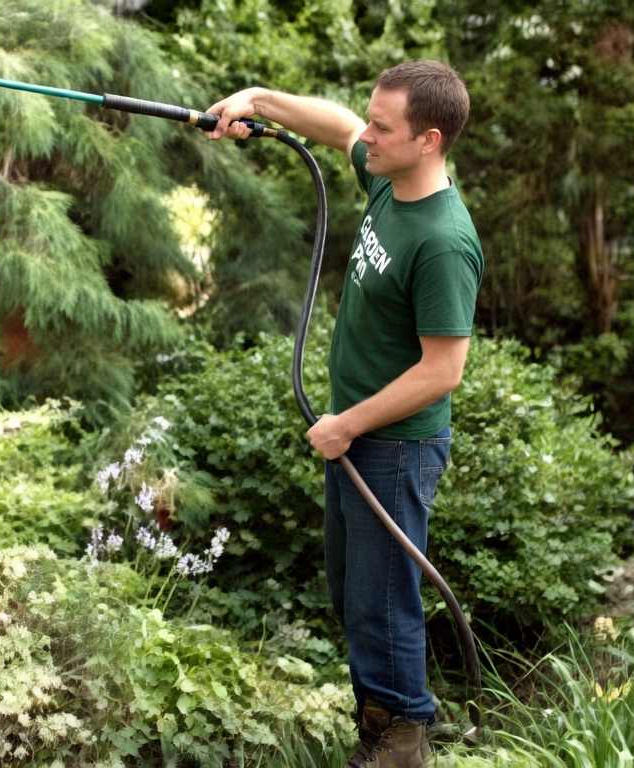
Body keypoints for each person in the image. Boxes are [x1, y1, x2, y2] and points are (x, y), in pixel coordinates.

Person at [205, 60, 483, 768]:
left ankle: (402, 740)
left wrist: (350, 423)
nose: (367, 136)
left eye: (382, 129)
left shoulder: (444, 241)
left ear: (429, 139)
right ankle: (381, 726)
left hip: (394, 446)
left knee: (382, 600)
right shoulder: (389, 175)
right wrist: (257, 98)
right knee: (355, 593)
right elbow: (334, 126)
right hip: (357, 437)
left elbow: (443, 371)